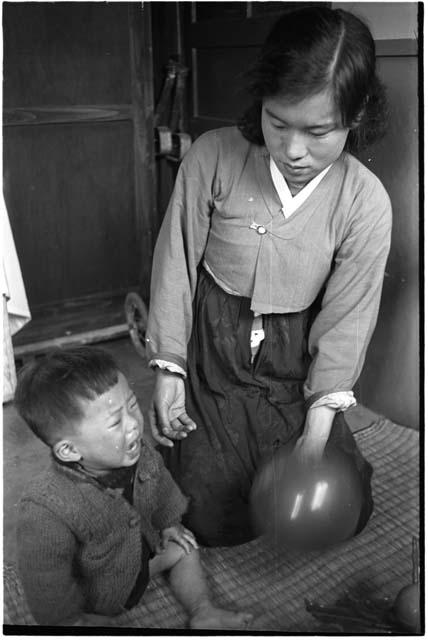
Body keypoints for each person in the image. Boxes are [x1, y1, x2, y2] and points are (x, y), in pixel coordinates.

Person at [146, 6, 392, 548]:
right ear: (260, 100)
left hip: (292, 360)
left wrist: (316, 434)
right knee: (207, 520)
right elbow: (175, 265)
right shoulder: (212, 157)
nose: (294, 150)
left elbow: (347, 320)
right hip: (214, 350)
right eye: (278, 123)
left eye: (318, 130)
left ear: (357, 114)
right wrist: (171, 370)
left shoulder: (364, 200)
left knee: (350, 511)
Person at [14, 346, 253, 629]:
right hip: (99, 595)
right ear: (69, 449)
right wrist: (67, 620)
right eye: (116, 421)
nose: (134, 425)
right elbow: (44, 578)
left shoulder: (140, 453)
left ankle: (203, 610)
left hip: (142, 562)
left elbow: (162, 487)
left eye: (131, 405)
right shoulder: (46, 509)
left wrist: (168, 524)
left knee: (185, 546)